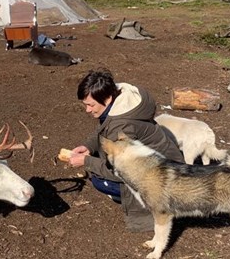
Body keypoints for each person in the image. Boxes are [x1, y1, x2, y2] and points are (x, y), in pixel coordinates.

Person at [67, 68, 184, 233]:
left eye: (90, 105)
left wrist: (86, 161)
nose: (87, 110)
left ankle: (153, 207)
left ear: (107, 98)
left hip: (164, 180)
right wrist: (88, 146)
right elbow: (103, 128)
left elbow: (119, 170)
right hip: (167, 164)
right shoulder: (122, 102)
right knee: (98, 161)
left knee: (100, 180)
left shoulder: (122, 125)